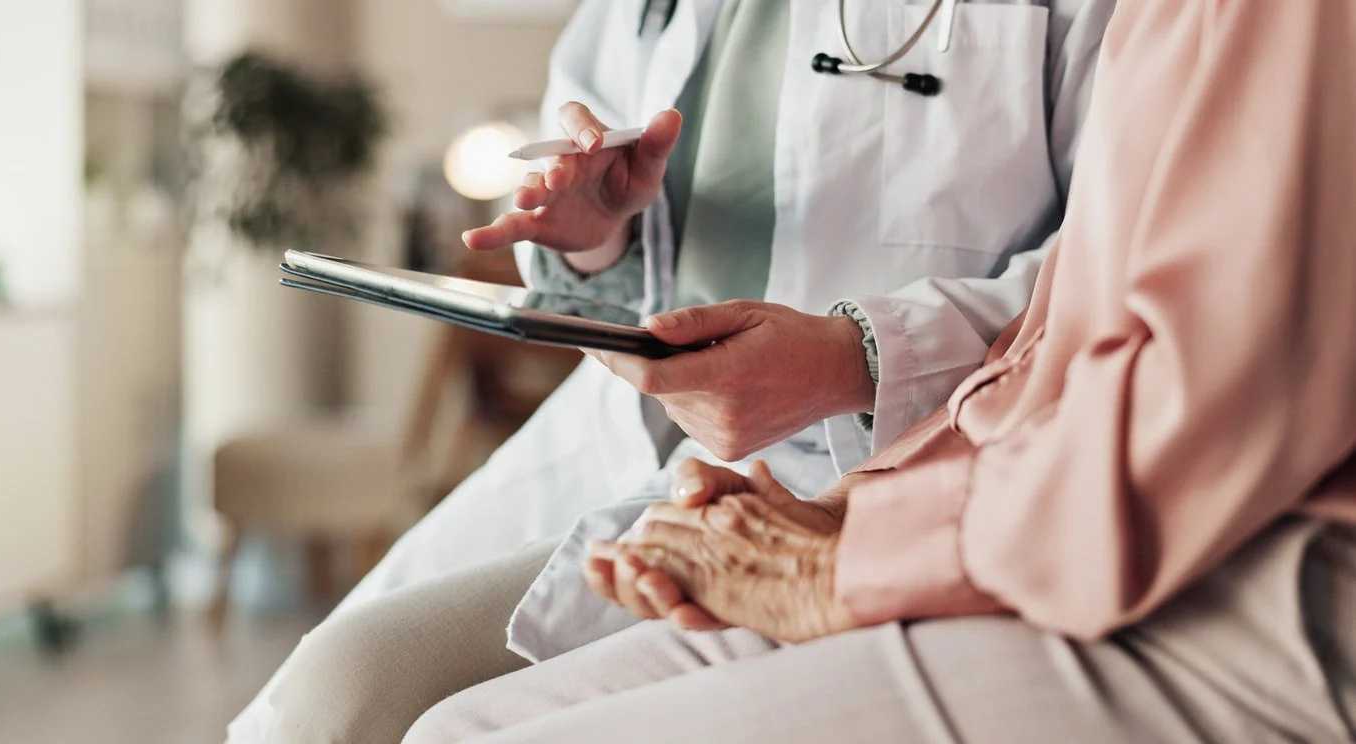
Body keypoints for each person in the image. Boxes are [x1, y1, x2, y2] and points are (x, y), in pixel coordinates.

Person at [399, 0, 1356, 740]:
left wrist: (856, 523)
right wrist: (589, 245)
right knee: (402, 714)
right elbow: (1077, 312)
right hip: (821, 462)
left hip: (1026, 485)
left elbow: (1187, 389)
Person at [228, 1, 1115, 741]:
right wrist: (590, 239)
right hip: (632, 440)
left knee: (400, 712)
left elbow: (1124, 253)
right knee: (314, 708)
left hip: (888, 463)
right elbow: (619, 265)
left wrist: (861, 355)